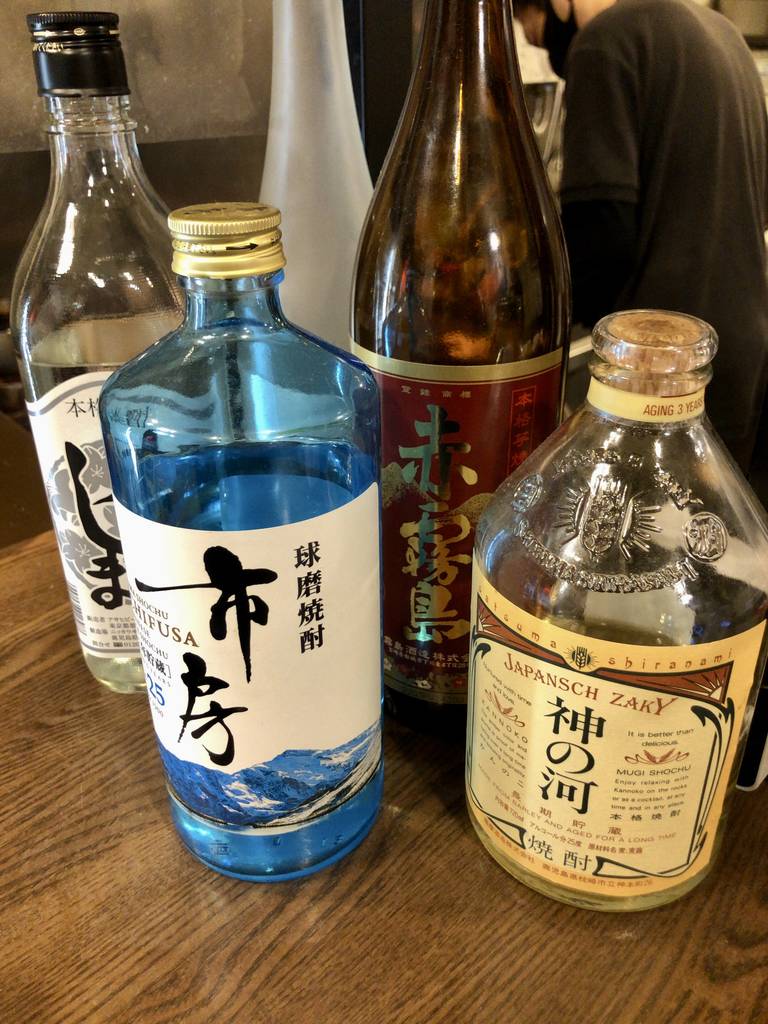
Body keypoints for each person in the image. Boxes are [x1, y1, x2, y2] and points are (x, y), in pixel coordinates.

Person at [515, 0, 768, 472]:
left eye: (533, 29)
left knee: (640, 517)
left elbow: (602, 237)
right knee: (716, 513)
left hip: (658, 375)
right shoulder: (724, 35)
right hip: (742, 347)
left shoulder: (604, 43)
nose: (542, 47)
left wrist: (527, 315)